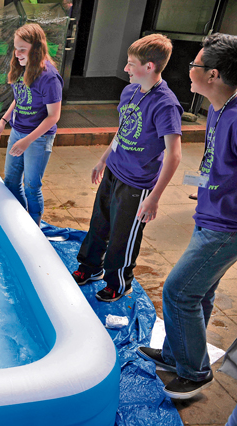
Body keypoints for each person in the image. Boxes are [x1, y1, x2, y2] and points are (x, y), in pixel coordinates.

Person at [138, 33, 237, 400]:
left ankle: (195, 374)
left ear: (212, 74)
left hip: (226, 228)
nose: (189, 69)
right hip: (209, 214)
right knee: (200, 291)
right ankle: (176, 354)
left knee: (178, 291)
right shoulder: (217, 106)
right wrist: (210, 184)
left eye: (194, 64)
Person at [71, 34, 182, 302]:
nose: (125, 69)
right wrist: (104, 159)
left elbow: (174, 155)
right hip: (114, 170)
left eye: (131, 64)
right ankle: (90, 267)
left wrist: (154, 197)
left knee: (124, 235)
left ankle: (118, 283)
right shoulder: (129, 91)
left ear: (150, 66)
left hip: (138, 182)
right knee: (99, 222)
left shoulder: (166, 104)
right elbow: (123, 130)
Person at [0, 23, 63, 226]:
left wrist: (27, 141)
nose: (17, 53)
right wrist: (3, 121)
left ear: (36, 48)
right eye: (16, 48)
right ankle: (21, 223)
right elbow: (20, 98)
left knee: (31, 186)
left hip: (39, 138)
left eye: (22, 49)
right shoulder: (21, 67)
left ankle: (35, 229)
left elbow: (53, 116)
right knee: (11, 182)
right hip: (18, 131)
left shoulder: (49, 78)